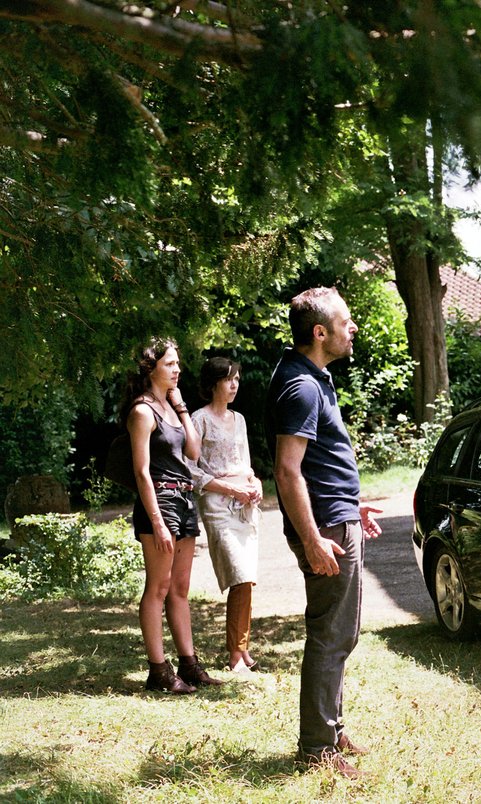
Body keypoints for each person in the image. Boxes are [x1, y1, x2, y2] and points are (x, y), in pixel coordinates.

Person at [266, 287, 383, 778]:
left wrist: (352, 504)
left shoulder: (314, 377)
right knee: (330, 635)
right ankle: (317, 747)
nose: (352, 328)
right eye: (346, 322)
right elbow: (288, 471)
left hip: (338, 516)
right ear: (320, 332)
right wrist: (313, 537)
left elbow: (315, 464)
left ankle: (331, 730)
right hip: (326, 528)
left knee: (341, 633)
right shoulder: (301, 387)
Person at [123, 337, 223, 694]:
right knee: (158, 587)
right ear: (151, 368)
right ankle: (158, 671)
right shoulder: (142, 412)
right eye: (169, 364)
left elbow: (193, 453)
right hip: (160, 502)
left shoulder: (169, 408)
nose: (177, 369)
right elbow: (142, 473)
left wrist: (181, 408)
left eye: (178, 364)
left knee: (180, 589)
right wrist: (157, 521)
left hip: (184, 499)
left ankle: (189, 664)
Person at [188, 357, 264, 673]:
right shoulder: (198, 420)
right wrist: (231, 490)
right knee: (238, 573)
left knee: (246, 579)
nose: (234, 384)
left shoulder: (240, 419)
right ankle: (235, 654)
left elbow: (245, 463)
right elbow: (190, 471)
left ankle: (241, 650)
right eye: (228, 379)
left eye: (237, 379)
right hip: (218, 506)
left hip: (246, 506)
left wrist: (256, 483)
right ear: (213, 383)